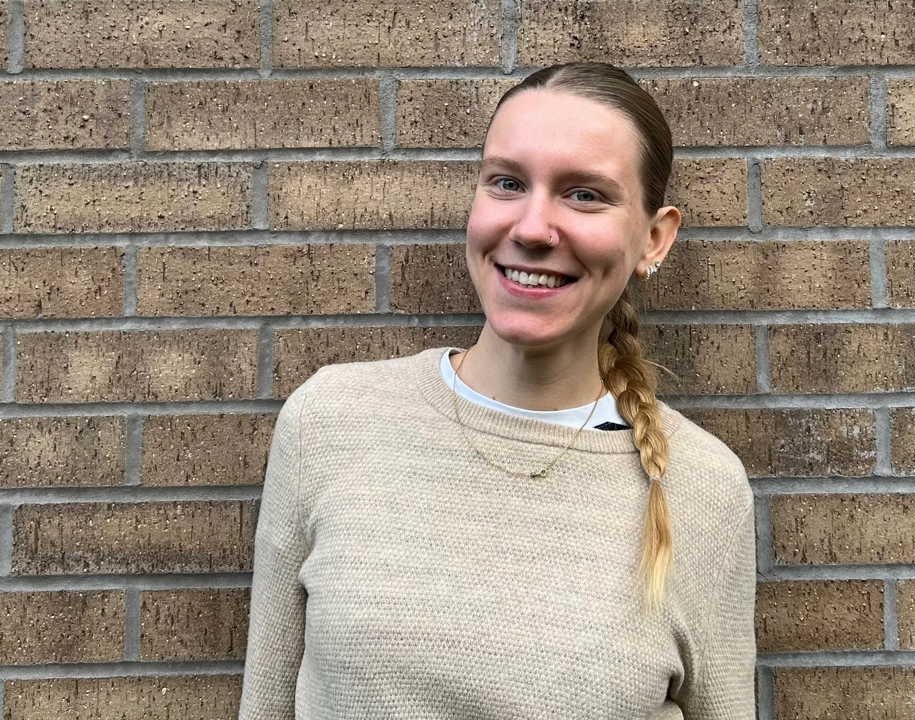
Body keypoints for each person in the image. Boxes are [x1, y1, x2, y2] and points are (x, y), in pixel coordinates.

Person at [238, 62, 756, 719]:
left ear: (654, 238)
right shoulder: (331, 423)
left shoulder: (703, 489)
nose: (534, 227)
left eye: (585, 195)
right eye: (508, 182)